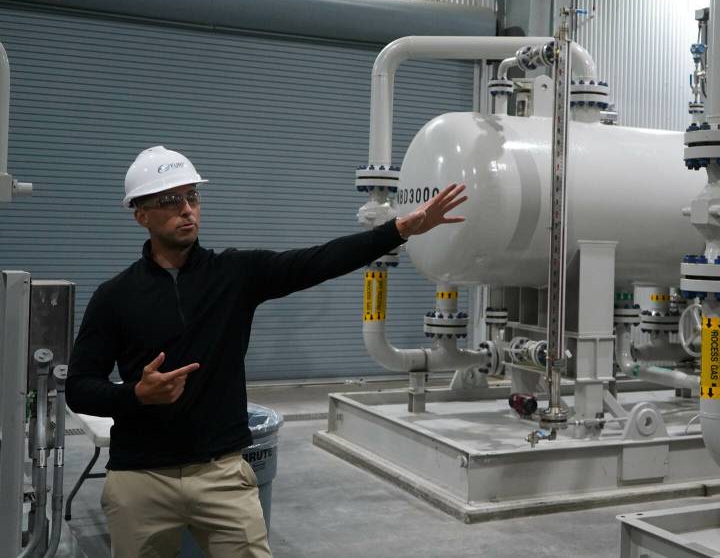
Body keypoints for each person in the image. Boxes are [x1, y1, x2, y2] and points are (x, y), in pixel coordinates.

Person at [66, 146, 466, 557]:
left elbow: (319, 261)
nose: (186, 210)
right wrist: (134, 394)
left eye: (192, 197)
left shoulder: (235, 274)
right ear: (141, 215)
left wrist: (398, 229)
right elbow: (79, 388)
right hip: (141, 478)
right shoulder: (114, 296)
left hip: (220, 473)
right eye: (170, 200)